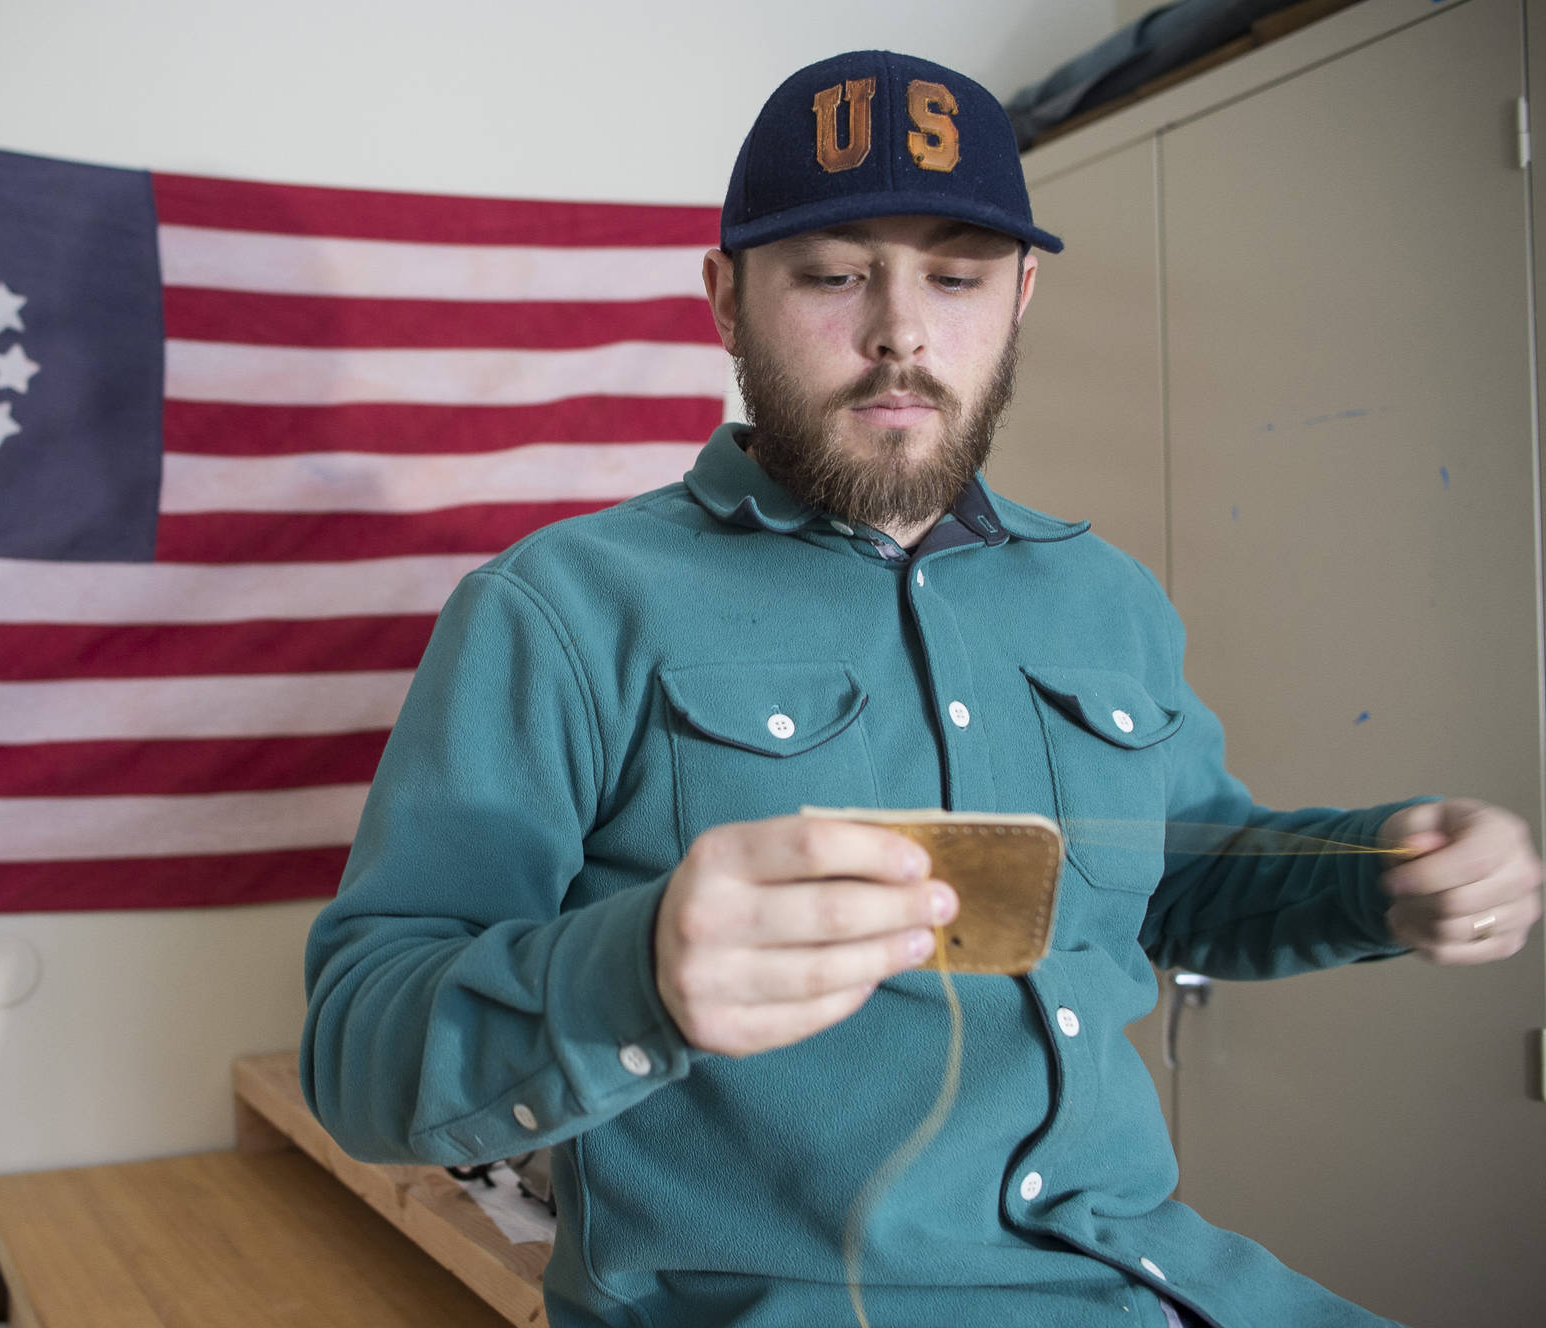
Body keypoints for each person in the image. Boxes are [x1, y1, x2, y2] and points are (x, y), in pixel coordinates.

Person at [299, 49, 1543, 1328]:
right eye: (834, 275)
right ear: (724, 295)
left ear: (1022, 295)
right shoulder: (557, 611)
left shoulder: (1104, 595)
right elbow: (355, 1050)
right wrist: (641, 976)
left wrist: (1384, 872)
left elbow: (1179, 878)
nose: (899, 330)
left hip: (1160, 1280)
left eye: (954, 277)